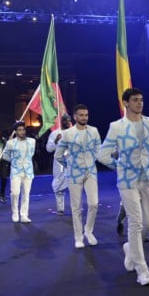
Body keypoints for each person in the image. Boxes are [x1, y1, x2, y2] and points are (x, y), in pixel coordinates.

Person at [98, 88, 149, 286]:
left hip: (148, 179)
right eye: (135, 100)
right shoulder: (117, 127)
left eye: (141, 100)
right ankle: (141, 270)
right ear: (126, 103)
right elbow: (102, 155)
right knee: (135, 222)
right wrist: (120, 167)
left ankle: (130, 248)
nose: (139, 103)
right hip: (127, 181)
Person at [55, 104, 102, 249]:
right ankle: (78, 237)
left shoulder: (94, 131)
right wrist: (69, 165)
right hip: (74, 174)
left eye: (86, 115)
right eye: (81, 115)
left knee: (94, 203)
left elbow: (98, 149)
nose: (84, 117)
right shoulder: (68, 134)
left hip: (90, 172)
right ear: (75, 117)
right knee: (76, 207)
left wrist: (92, 160)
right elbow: (58, 155)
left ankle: (88, 230)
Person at [3, 121, 36, 223]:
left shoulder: (31, 141)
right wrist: (13, 161)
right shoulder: (10, 143)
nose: (22, 132)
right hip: (16, 171)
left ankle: (24, 215)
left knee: (26, 193)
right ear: (15, 131)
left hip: (28, 171)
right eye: (19, 130)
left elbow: (31, 154)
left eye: (23, 130)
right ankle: (15, 212)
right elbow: (5, 155)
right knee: (15, 193)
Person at [46, 113, 72, 215]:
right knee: (58, 186)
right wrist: (56, 141)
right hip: (59, 164)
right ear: (61, 121)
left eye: (69, 120)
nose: (67, 122)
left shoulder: (74, 133)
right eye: (65, 120)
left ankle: (75, 208)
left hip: (72, 162)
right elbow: (49, 149)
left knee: (74, 187)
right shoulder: (54, 134)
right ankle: (60, 209)